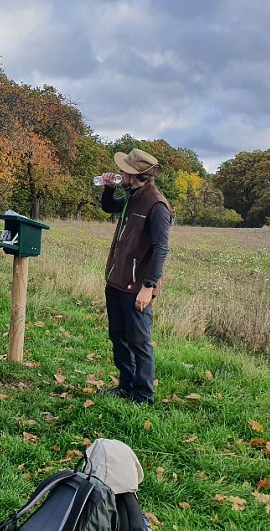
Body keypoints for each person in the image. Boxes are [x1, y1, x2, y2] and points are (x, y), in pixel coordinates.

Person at [98, 148, 171, 406]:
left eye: (123, 171)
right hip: (116, 280)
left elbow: (161, 249)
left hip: (137, 286)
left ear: (137, 175)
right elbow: (109, 207)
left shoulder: (157, 205)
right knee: (118, 334)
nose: (120, 173)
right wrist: (108, 188)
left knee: (139, 341)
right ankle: (126, 386)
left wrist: (148, 287)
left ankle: (143, 396)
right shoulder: (131, 195)